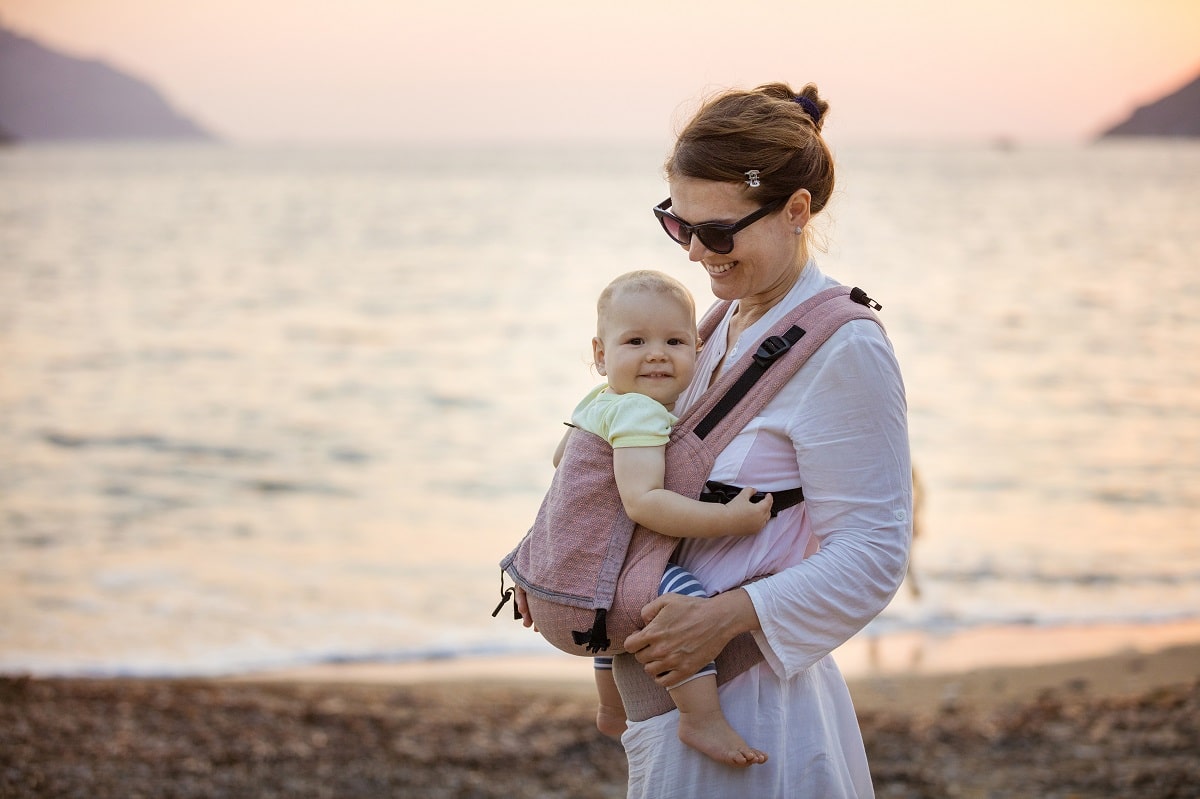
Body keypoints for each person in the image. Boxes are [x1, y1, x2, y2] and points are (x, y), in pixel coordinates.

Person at [609, 82, 912, 796]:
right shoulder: (716, 327)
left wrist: (719, 621)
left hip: (759, 711)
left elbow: (873, 553)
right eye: (677, 225)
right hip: (677, 699)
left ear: (796, 210)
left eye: (717, 232)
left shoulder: (846, 348)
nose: (693, 254)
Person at [547, 269, 772, 767]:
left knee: (618, 611)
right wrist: (730, 520)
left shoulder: (599, 402)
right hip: (601, 568)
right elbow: (644, 503)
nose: (656, 353)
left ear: (697, 348)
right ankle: (701, 718)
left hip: (577, 566)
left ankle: (611, 706)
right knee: (681, 597)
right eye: (636, 341)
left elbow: (563, 461)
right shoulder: (640, 414)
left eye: (673, 340)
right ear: (601, 354)